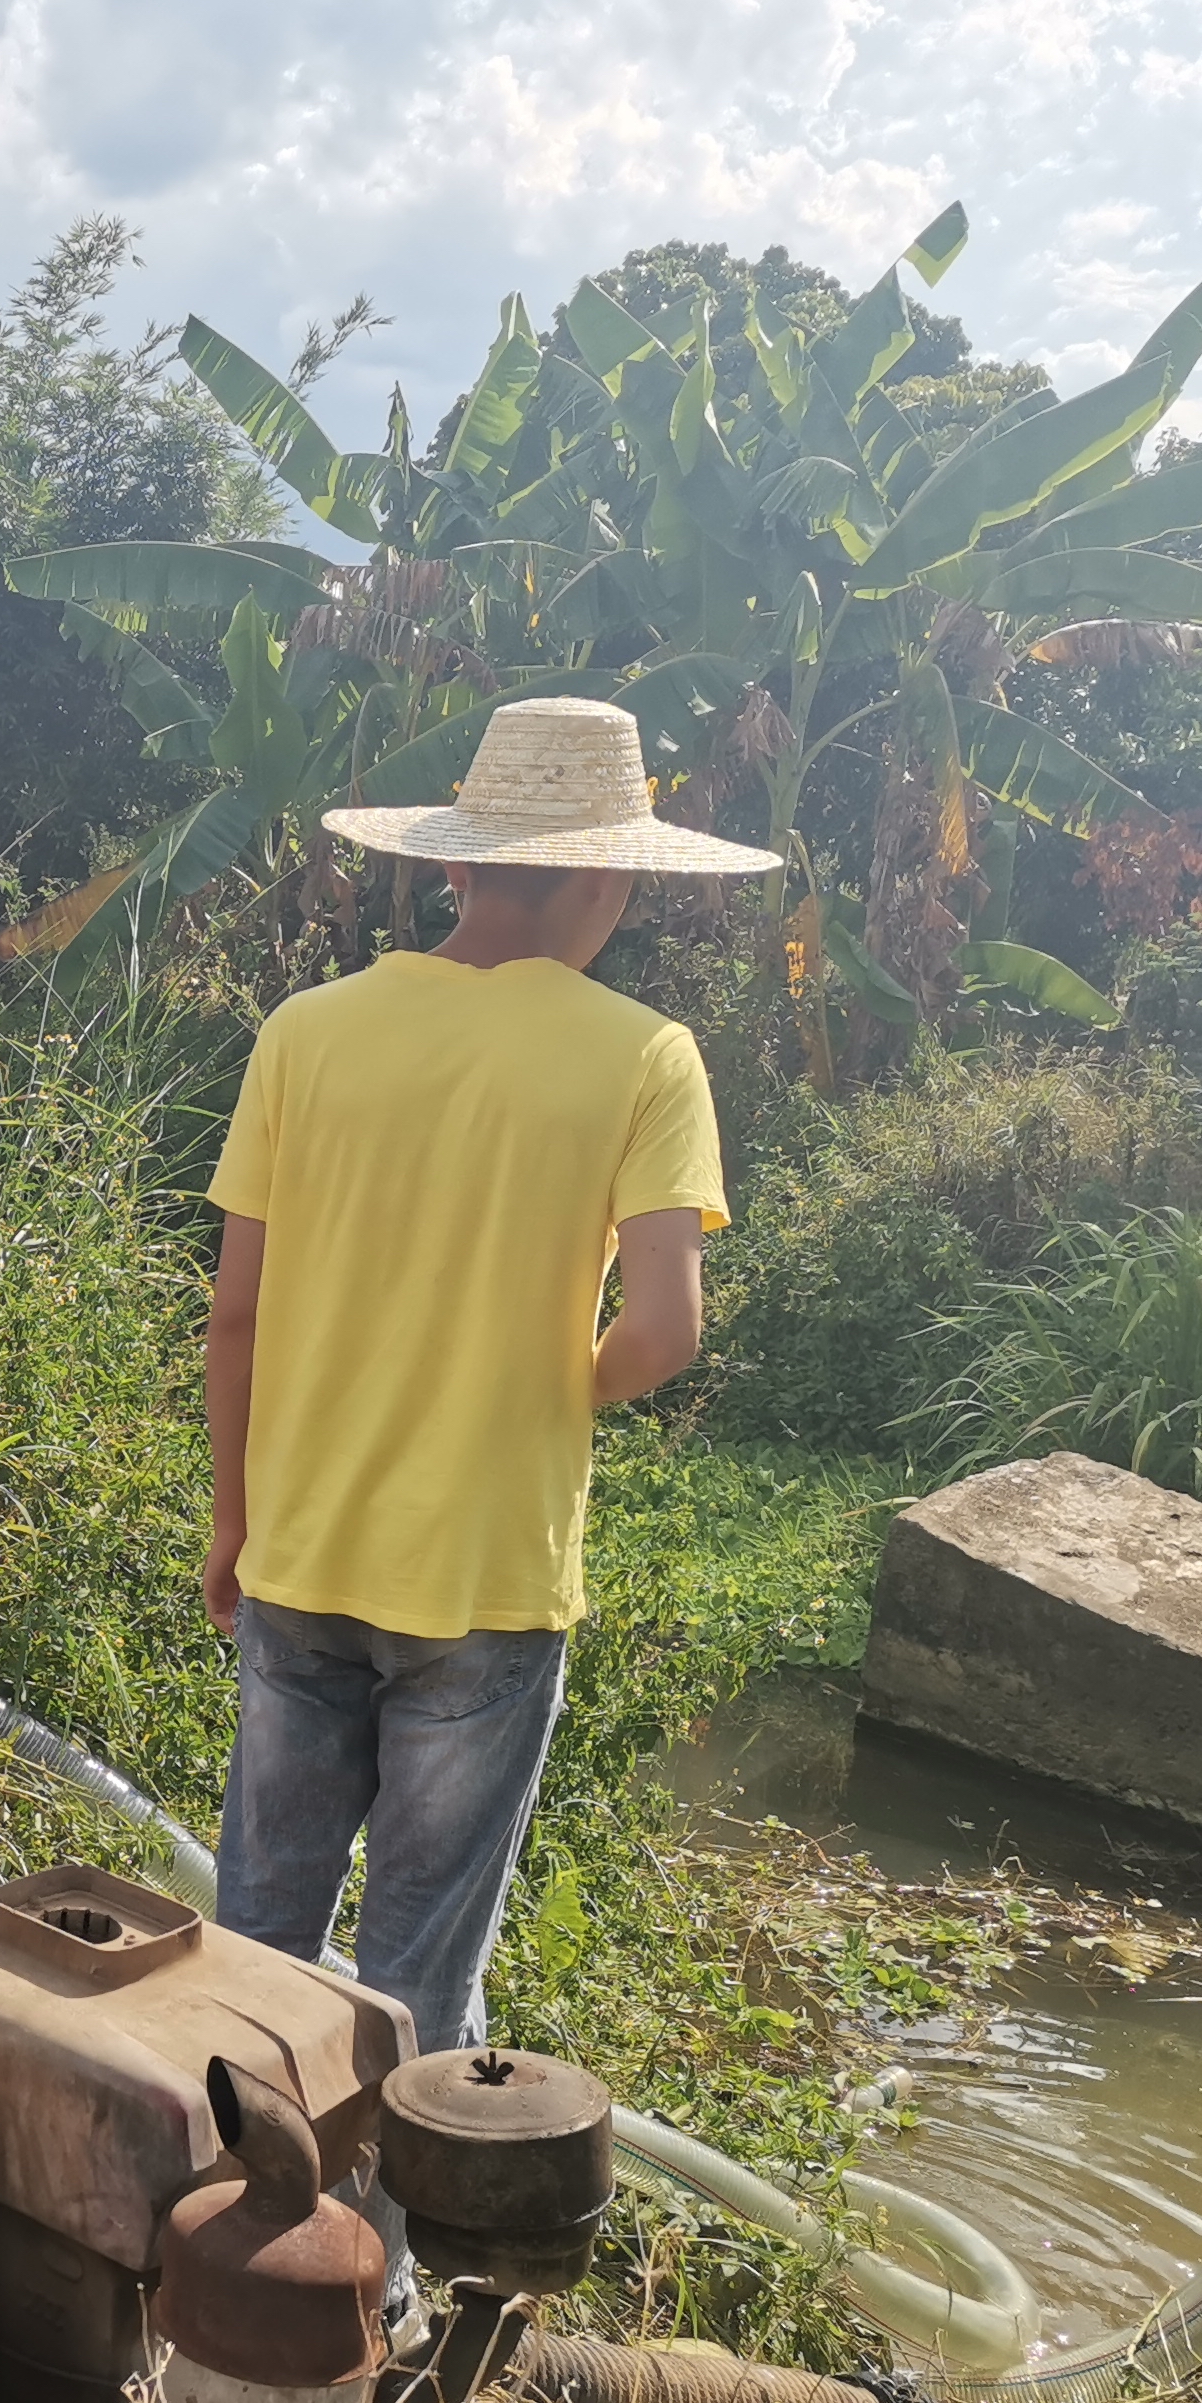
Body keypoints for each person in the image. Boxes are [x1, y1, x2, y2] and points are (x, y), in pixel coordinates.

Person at [201, 698, 779, 2057]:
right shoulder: (643, 1056)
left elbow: (238, 1317)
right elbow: (663, 1333)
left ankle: (213, 2220)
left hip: (301, 1556)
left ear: (456, 862)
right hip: (484, 1584)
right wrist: (533, 1387)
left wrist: (235, 1523)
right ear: (608, 877)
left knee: (253, 1948)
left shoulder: (308, 1030)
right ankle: (379, 2272)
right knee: (414, 1981)